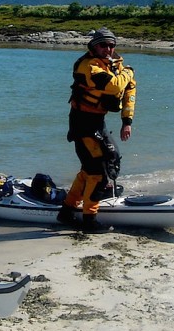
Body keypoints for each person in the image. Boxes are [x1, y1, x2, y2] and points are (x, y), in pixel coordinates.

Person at [57, 27, 137, 232]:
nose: (108, 49)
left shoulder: (115, 66)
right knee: (97, 172)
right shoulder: (88, 66)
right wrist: (128, 72)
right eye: (103, 45)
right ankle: (89, 220)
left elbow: (129, 90)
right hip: (82, 122)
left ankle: (66, 212)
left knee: (108, 160)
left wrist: (127, 121)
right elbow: (114, 87)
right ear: (94, 46)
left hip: (97, 122)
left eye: (111, 45)